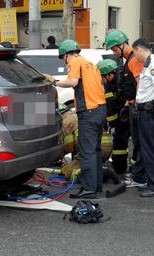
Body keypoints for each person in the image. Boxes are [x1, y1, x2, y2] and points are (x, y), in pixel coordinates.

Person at [53, 39, 106, 199]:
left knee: (87, 152)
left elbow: (73, 81)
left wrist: (54, 81)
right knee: (95, 150)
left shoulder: (75, 61)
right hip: (100, 110)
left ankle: (89, 189)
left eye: (64, 58)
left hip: (88, 112)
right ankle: (96, 186)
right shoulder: (91, 64)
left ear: (67, 55)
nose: (66, 62)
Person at [131, 38, 154, 197]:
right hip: (144, 112)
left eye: (134, 52)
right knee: (147, 149)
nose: (134, 56)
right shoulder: (147, 65)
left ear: (139, 49)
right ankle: (152, 182)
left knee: (152, 149)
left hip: (150, 112)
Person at [104, 30, 142, 186]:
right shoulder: (127, 61)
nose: (114, 52)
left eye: (114, 49)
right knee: (135, 142)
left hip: (137, 108)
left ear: (122, 44)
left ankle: (138, 175)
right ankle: (137, 173)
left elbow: (140, 84)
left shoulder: (134, 59)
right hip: (132, 106)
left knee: (139, 143)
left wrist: (136, 104)